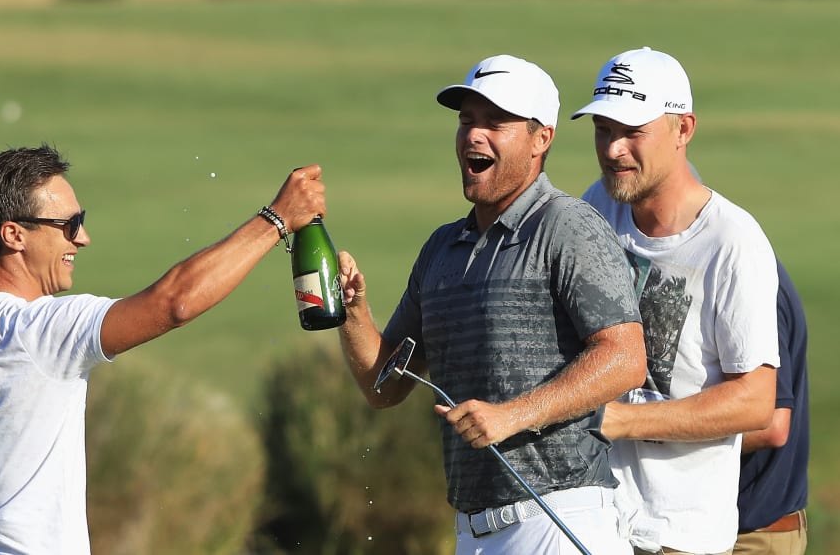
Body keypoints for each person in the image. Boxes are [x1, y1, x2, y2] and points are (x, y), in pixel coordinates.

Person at [0, 144, 326, 554]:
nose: (82, 238)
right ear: (13, 235)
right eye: (69, 224)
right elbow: (173, 303)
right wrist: (278, 219)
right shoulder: (42, 331)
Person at [337, 54, 647, 555]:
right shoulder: (441, 249)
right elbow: (384, 387)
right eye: (466, 121)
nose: (473, 136)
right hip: (473, 530)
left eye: (495, 123)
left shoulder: (567, 225)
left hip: (559, 518)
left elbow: (625, 359)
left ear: (540, 138)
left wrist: (513, 415)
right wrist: (353, 313)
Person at [572, 47, 780, 555]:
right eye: (603, 128)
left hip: (678, 539)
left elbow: (756, 399)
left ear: (683, 129)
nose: (613, 149)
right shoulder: (596, 206)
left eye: (631, 131)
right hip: (593, 525)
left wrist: (618, 420)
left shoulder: (732, 242)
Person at [734, 260, 810, 555]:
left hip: (753, 536)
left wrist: (651, 437)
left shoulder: (750, 274)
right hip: (726, 528)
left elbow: (770, 426)